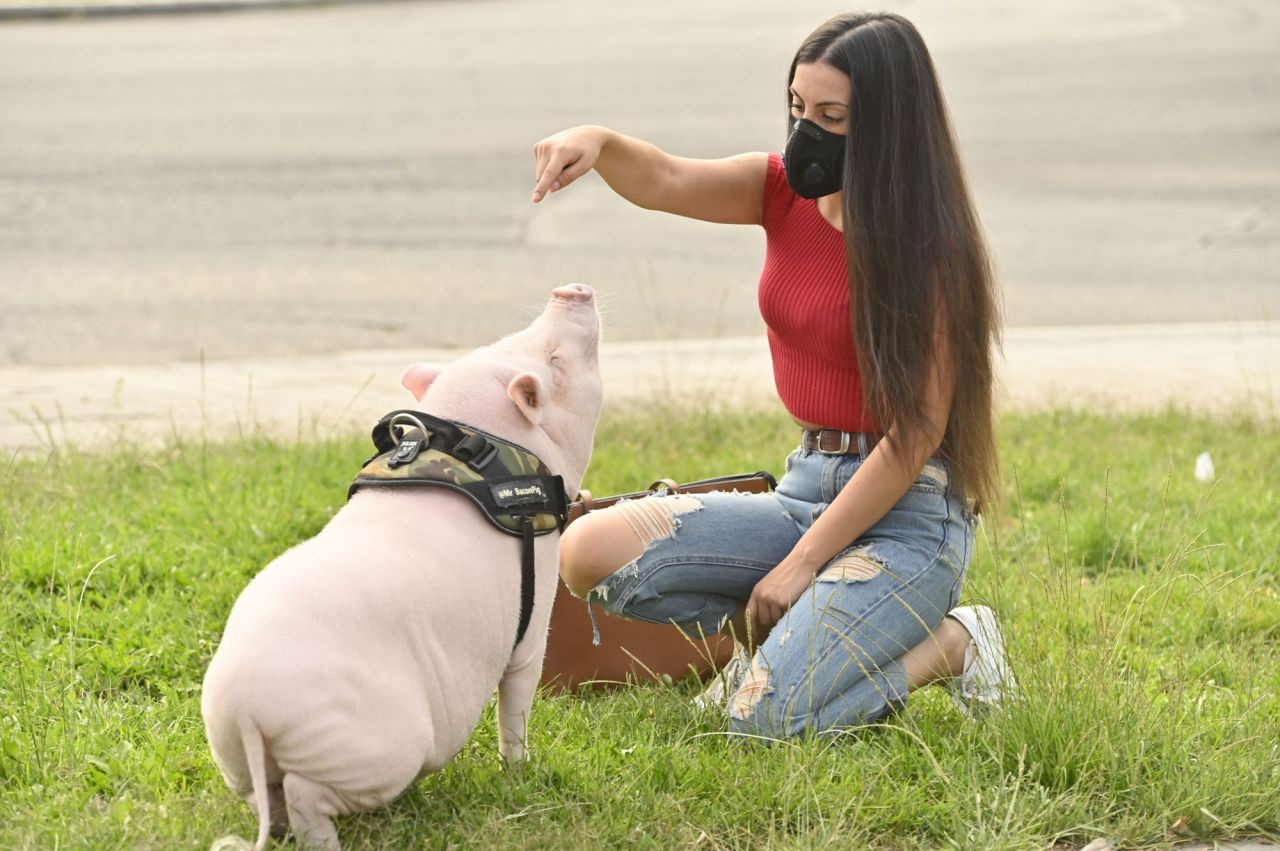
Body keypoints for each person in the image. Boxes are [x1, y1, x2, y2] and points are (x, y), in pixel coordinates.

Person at [530, 11, 1014, 737]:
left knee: (762, 727)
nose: (806, 130)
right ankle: (788, 645)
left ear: (887, 125)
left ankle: (953, 644)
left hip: (907, 520)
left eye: (831, 115)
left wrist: (801, 565)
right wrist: (597, 142)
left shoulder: (927, 247)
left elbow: (914, 436)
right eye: (797, 106)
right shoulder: (780, 191)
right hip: (804, 490)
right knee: (588, 552)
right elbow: (664, 177)